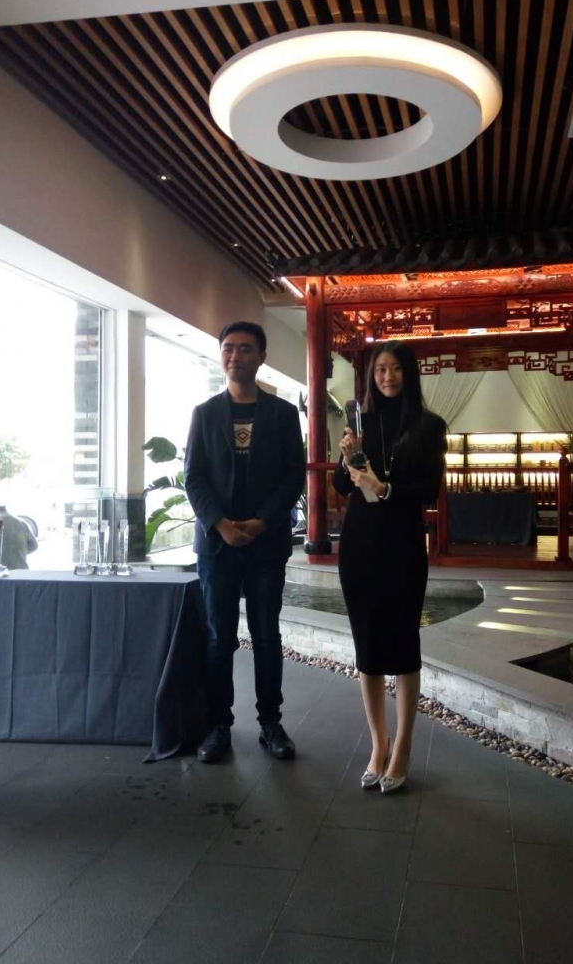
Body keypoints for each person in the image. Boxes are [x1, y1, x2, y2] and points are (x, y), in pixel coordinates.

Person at [185, 321, 306, 763]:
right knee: (219, 637)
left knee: (266, 635)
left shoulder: (282, 414)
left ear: (261, 357)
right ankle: (218, 725)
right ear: (221, 356)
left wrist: (260, 522)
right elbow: (193, 477)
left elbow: (293, 476)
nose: (235, 356)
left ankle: (271, 723)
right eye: (229, 349)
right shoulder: (204, 413)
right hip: (217, 546)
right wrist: (220, 524)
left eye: (245, 349)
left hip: (265, 544)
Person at [334, 341, 447, 794]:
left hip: (402, 543)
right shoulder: (360, 422)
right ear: (371, 376)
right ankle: (377, 744)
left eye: (396, 368)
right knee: (367, 645)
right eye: (380, 369)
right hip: (359, 543)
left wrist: (385, 489)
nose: (387, 377)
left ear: (409, 373)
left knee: (402, 643)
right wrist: (349, 455)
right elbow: (343, 484)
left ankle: (402, 745)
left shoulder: (429, 426)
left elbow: (430, 489)